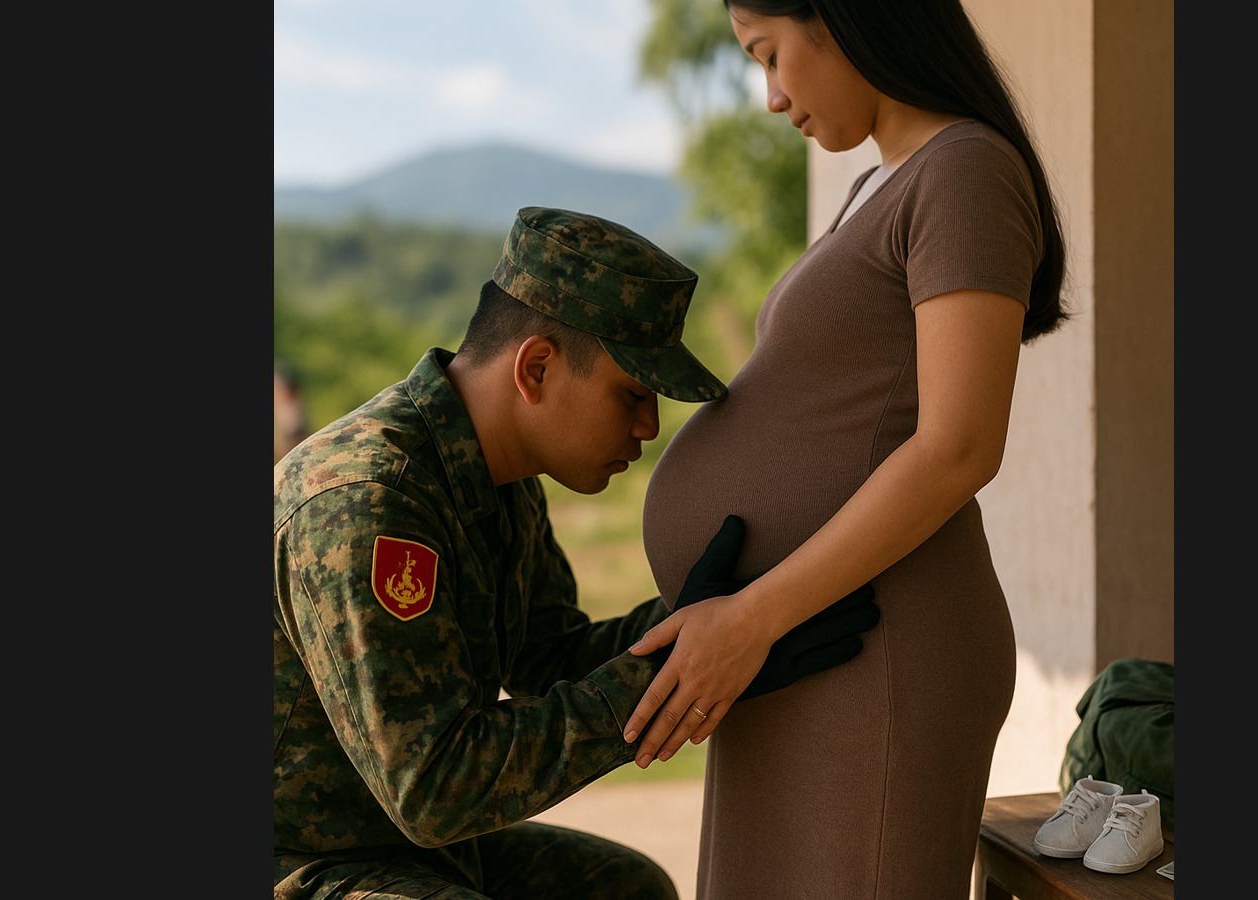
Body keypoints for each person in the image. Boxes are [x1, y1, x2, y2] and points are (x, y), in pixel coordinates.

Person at [273, 206, 880, 900]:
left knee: (624, 888)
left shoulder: (497, 481)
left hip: (397, 846)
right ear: (535, 368)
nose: (650, 426)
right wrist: (678, 676)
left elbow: (549, 659)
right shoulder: (368, 499)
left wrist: (715, 619)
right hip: (301, 860)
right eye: (632, 393)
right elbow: (435, 788)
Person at [622, 2, 1072, 897]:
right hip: (808, 645)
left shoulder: (966, 171)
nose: (770, 96)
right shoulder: (886, 182)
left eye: (771, 54)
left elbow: (959, 447)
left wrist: (749, 620)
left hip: (878, 651)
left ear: (848, 18)